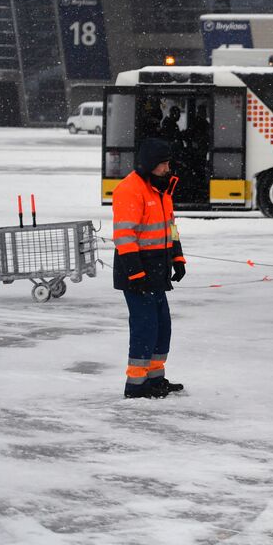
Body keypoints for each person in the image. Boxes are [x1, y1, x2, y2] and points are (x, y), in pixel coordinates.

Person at [112, 137, 187, 399]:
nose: (168, 168)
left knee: (161, 326)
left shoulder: (161, 189)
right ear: (149, 165)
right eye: (163, 164)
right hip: (138, 274)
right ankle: (136, 385)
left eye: (168, 163)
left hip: (158, 271)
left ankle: (155, 379)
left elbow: (171, 229)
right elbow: (124, 237)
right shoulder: (130, 190)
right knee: (145, 327)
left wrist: (178, 258)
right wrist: (136, 273)